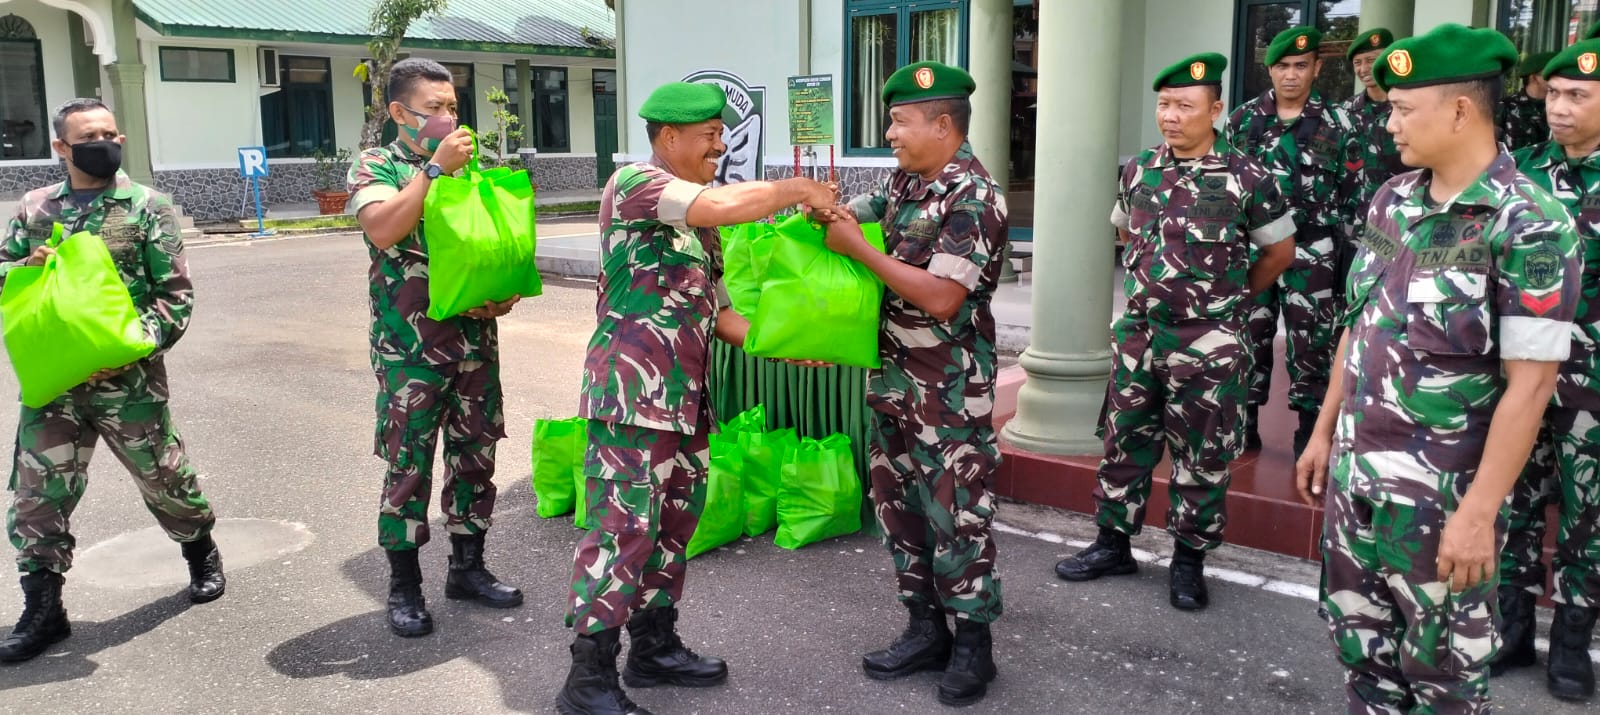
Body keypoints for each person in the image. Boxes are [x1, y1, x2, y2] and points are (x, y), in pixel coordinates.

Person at [1297, 24, 1583, 711]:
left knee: (1444, 679)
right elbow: (1360, 320)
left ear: (1460, 110)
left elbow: (1534, 380)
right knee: (1362, 655)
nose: (1388, 121)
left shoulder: (1530, 222)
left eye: (1403, 108)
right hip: (1357, 485)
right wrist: (1321, 430)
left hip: (1442, 502)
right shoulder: (1390, 200)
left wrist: (1480, 513)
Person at [558, 81, 837, 715]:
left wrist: (784, 342)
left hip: (684, 400)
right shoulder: (638, 184)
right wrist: (800, 189)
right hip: (630, 397)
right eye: (709, 136)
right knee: (620, 530)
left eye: (722, 134)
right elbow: (723, 207)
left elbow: (720, 312)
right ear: (668, 137)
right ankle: (588, 679)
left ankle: (653, 648)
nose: (721, 146)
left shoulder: (695, 222)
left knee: (671, 527)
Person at [1053, 53, 1295, 611]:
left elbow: (1279, 252)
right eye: (1163, 104)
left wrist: (1226, 301)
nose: (1170, 115)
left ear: (1215, 110)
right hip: (1140, 336)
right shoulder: (1139, 169)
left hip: (1208, 343)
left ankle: (1188, 560)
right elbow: (1125, 237)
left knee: (1203, 455)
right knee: (1123, 444)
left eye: (1185, 105)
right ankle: (1113, 544)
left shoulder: (1248, 176)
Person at [0, 98, 224, 663]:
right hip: (55, 381)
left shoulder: (146, 206)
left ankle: (199, 550)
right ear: (61, 149)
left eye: (110, 133)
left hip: (128, 383)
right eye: (89, 136)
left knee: (165, 479)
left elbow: (175, 297)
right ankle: (44, 610)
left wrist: (127, 350)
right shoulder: (34, 209)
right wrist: (25, 269)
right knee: (36, 499)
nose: (104, 143)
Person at [813, 60, 1007, 707]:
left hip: (950, 390)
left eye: (900, 121)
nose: (890, 133)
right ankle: (926, 627)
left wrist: (859, 250)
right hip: (895, 379)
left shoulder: (973, 196)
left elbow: (945, 296)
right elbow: (846, 217)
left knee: (958, 511)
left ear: (943, 123)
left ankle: (974, 643)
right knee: (900, 506)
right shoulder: (905, 183)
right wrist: (813, 208)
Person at [347, 57, 523, 640]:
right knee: (409, 465)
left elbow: (492, 242)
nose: (448, 117)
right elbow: (383, 229)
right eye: (434, 109)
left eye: (452, 107)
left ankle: (467, 568)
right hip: (411, 350)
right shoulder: (379, 164)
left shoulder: (474, 166)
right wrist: (433, 172)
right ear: (400, 113)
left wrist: (501, 296)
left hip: (474, 342)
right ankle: (403, 587)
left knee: (476, 455)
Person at [1493, 40, 1600, 702]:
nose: (1558, 108)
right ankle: (1511, 626)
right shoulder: (1523, 173)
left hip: (1593, 383)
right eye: (1554, 94)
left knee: (1590, 511)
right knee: (1517, 499)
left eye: (1578, 96)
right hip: (1521, 375)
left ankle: (1572, 638)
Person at [1223, 26, 1360, 456]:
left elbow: (1355, 194)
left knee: (1314, 342)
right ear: (1270, 69)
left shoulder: (1340, 123)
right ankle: (1245, 424)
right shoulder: (1242, 120)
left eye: (1301, 65)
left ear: (1317, 68)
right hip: (1257, 250)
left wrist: (1353, 260)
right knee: (1249, 334)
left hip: (1314, 252)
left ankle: (1309, 431)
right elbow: (1227, 188)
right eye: (1282, 66)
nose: (1291, 75)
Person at [1342, 27, 1406, 296]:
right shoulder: (1344, 112)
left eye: (1372, 59)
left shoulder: (1407, 107)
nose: (1364, 68)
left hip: (1399, 220)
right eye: (1358, 62)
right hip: (1352, 226)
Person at [1499, 51, 1555, 153]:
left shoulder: (1557, 108)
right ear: (1534, 78)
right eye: (1550, 74)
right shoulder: (1505, 107)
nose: (1556, 79)